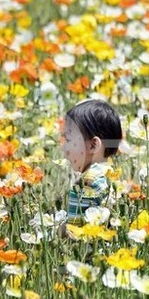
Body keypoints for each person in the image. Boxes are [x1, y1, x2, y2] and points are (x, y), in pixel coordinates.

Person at [59, 99, 123, 232]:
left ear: (93, 145)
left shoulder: (87, 181)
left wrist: (56, 232)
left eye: (68, 140)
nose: (64, 147)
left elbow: (74, 231)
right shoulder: (112, 176)